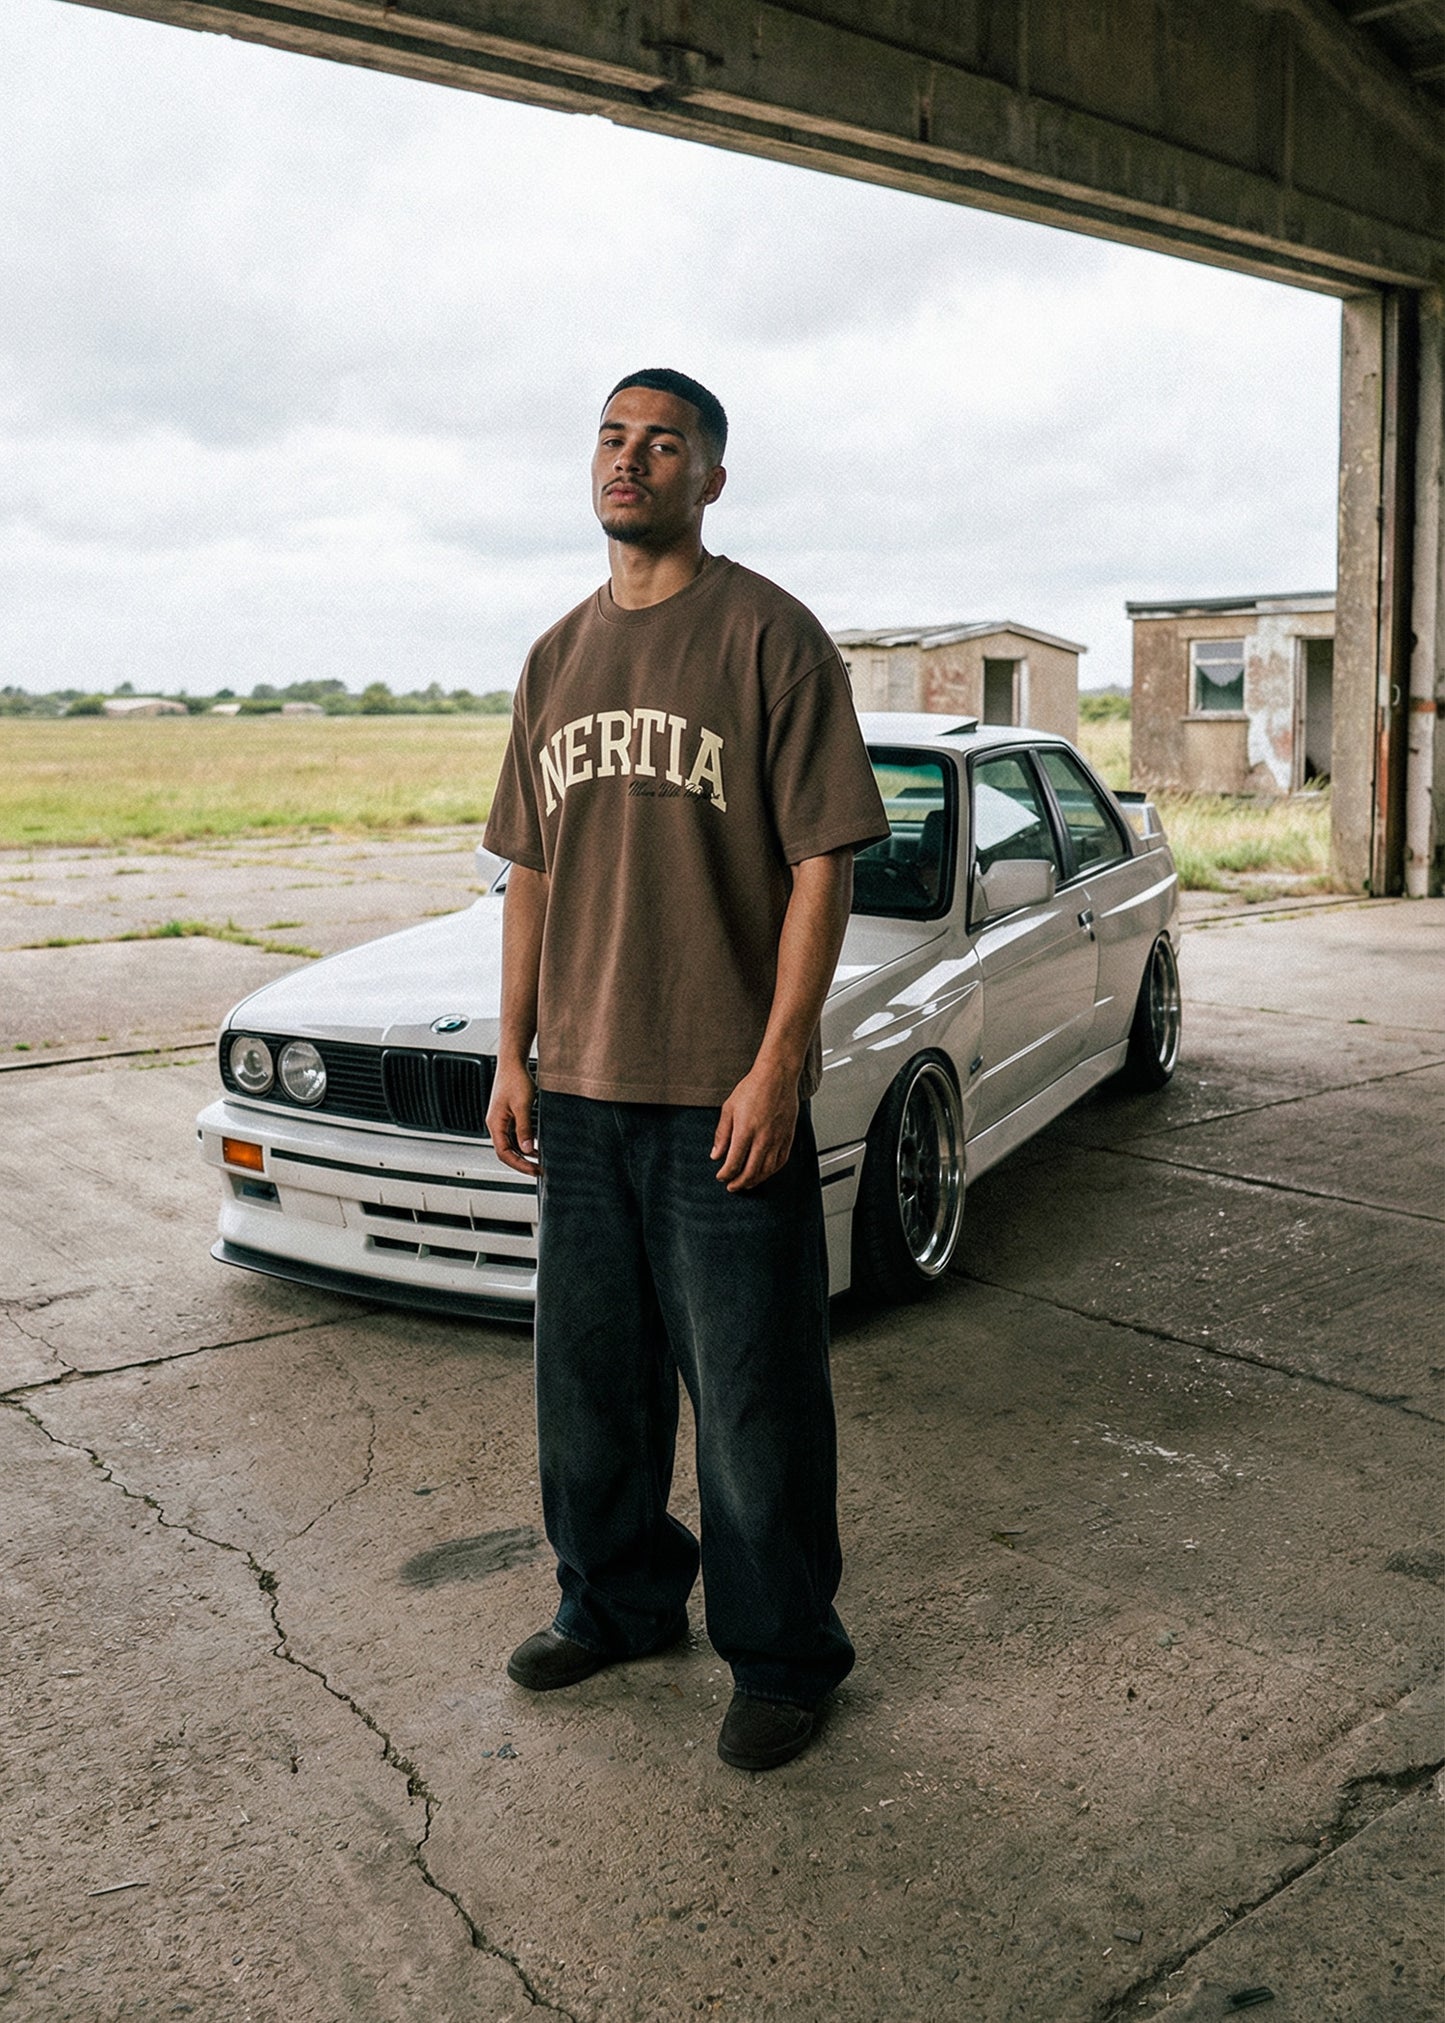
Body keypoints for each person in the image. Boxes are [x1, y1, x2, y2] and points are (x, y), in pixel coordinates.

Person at [483, 368, 887, 1772]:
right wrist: (514, 1052)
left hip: (723, 1090)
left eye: (663, 444)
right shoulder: (554, 656)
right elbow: (529, 871)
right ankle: (613, 1602)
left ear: (710, 480)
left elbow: (822, 863)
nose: (629, 461)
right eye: (610, 436)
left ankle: (780, 1656)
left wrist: (780, 1063)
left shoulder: (769, 636)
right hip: (583, 1091)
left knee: (754, 1401)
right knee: (588, 1387)